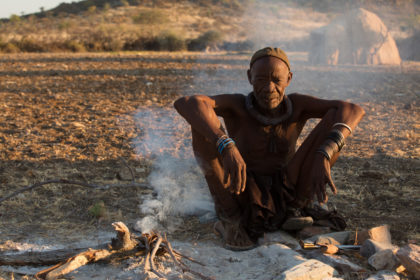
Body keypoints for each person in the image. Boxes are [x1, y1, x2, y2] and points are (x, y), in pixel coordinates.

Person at [174, 47, 365, 250]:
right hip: (241, 190)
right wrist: (225, 144)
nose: (269, 88)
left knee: (335, 121)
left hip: (289, 192)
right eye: (261, 80)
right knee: (202, 122)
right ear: (249, 77)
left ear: (289, 79)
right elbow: (186, 102)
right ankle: (230, 220)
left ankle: (295, 211)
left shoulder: (298, 105)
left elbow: (353, 109)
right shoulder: (237, 105)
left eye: (277, 80)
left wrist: (325, 152)